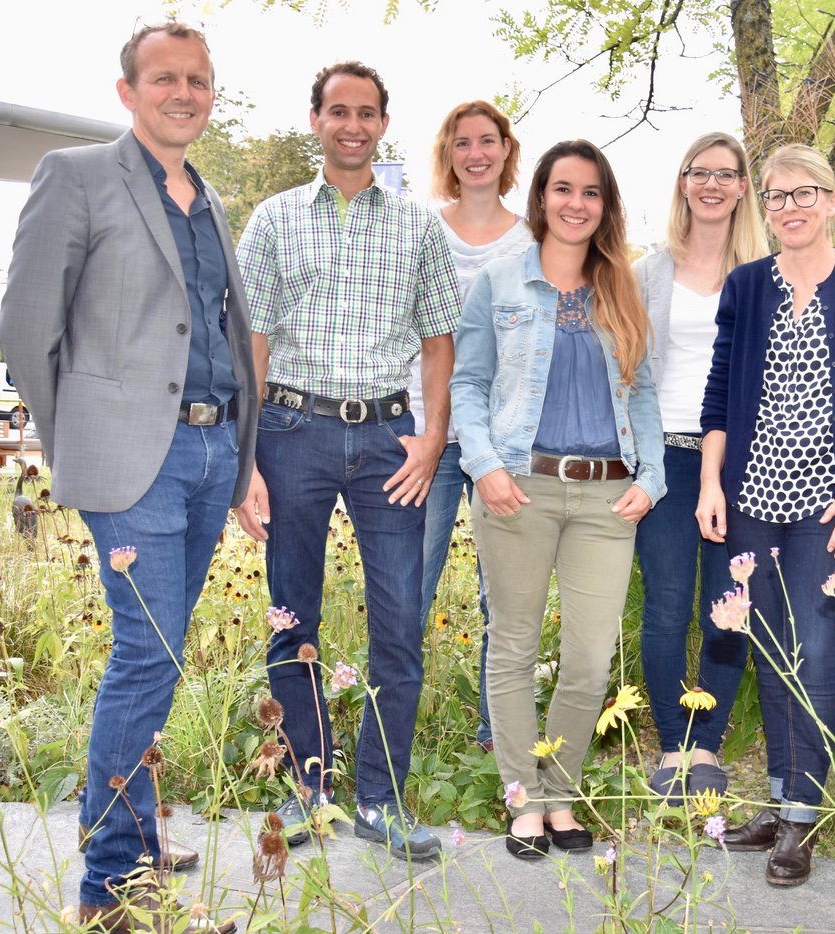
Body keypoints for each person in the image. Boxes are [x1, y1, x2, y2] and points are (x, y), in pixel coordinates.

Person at [0, 21, 254, 932]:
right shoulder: (76, 176)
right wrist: (81, 439)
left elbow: (219, 332)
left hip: (210, 450)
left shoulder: (210, 198)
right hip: (130, 461)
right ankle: (112, 887)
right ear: (128, 92)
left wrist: (242, 455)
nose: (183, 93)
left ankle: (133, 828)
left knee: (164, 655)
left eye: (198, 80)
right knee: (145, 656)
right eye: (165, 79)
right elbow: (27, 329)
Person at [234, 61, 461, 861]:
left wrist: (433, 438)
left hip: (389, 444)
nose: (353, 125)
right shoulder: (272, 220)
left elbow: (440, 340)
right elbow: (252, 339)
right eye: (339, 111)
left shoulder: (418, 227)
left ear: (383, 124)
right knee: (293, 615)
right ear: (316, 120)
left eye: (366, 113)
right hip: (292, 433)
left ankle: (382, 801)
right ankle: (312, 794)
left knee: (399, 624)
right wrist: (248, 457)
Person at [700, 144, 835, 886]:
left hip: (832, 504)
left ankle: (803, 816)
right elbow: (720, 395)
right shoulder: (746, 286)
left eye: (805, 193)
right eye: (777, 196)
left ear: (831, 200)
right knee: (766, 647)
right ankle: (783, 797)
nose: (790, 207)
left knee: (816, 650)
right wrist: (710, 483)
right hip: (753, 498)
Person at [451, 139, 665, 861]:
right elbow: (467, 383)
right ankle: (523, 801)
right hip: (519, 487)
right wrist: (482, 465)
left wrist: (653, 476)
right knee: (511, 647)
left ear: (605, 206)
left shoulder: (621, 287)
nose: (576, 204)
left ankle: (561, 793)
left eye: (592, 192)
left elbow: (644, 390)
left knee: (589, 660)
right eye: (563, 189)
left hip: (608, 499)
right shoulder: (500, 282)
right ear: (542, 196)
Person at [635, 132, 768, 801]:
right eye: (700, 172)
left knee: (729, 607)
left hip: (742, 464)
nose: (712, 184)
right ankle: (669, 745)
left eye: (726, 174)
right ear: (683, 182)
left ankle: (707, 748)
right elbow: (624, 370)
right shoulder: (647, 272)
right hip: (664, 460)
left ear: (743, 187)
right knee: (664, 608)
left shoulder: (766, 273)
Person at [414, 101, 533, 751]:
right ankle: (391, 722)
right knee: (410, 588)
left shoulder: (533, 238)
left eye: (489, 141)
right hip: (429, 435)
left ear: (506, 151)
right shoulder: (423, 229)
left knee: (504, 601)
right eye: (464, 142)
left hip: (506, 442)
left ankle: (498, 736)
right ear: (449, 153)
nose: (477, 152)